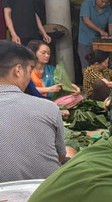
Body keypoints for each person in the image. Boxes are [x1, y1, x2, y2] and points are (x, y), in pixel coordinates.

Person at [0, 42, 70, 182]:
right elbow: (60, 156)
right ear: (18, 70)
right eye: (30, 70)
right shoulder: (49, 108)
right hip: (44, 192)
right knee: (71, 154)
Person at [26, 40, 83, 108]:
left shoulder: (52, 69)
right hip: (34, 101)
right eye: (43, 53)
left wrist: (75, 87)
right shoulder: (27, 70)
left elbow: (63, 82)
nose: (47, 56)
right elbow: (27, 89)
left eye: (48, 53)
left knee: (78, 97)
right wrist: (49, 89)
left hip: (51, 100)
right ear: (34, 53)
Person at [77, 0, 112, 70]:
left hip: (100, 42)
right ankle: (87, 83)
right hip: (85, 40)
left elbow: (111, 23)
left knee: (100, 66)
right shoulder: (86, 4)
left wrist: (111, 37)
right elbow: (86, 20)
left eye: (106, 2)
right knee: (86, 67)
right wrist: (101, 31)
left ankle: (100, 83)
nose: (104, 4)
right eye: (102, 1)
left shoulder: (108, 9)